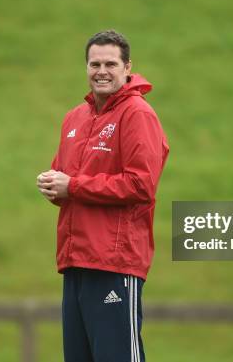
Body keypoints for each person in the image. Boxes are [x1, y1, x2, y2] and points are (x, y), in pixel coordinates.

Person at [36, 29, 169, 362]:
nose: (102, 71)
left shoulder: (137, 114)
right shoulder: (74, 118)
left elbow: (141, 185)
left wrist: (74, 186)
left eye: (111, 63)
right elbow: (65, 178)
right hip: (75, 261)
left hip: (114, 262)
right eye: (95, 64)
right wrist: (54, 186)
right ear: (86, 67)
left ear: (127, 68)